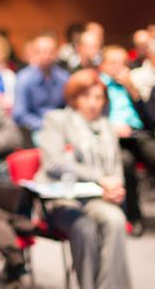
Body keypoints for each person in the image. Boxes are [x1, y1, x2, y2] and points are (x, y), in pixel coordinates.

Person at [37, 69, 132, 289]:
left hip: (97, 198)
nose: (93, 103)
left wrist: (116, 187)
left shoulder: (107, 126)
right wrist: (101, 179)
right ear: (74, 97)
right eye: (87, 96)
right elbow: (55, 162)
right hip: (62, 198)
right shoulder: (57, 120)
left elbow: (116, 164)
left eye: (99, 97)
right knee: (85, 228)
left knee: (116, 219)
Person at [99, 46, 155, 234]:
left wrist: (134, 92)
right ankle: (133, 216)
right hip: (111, 139)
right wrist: (111, 127)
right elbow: (94, 118)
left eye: (122, 63)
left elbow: (151, 121)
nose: (117, 68)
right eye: (112, 63)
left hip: (137, 135)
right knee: (125, 163)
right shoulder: (99, 86)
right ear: (103, 65)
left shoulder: (131, 86)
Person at [13, 34, 69, 147]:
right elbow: (19, 114)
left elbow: (70, 106)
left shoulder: (64, 77)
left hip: (61, 126)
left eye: (50, 51)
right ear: (34, 53)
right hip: (36, 128)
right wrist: (44, 125)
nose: (46, 56)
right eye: (42, 52)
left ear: (56, 53)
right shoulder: (24, 78)